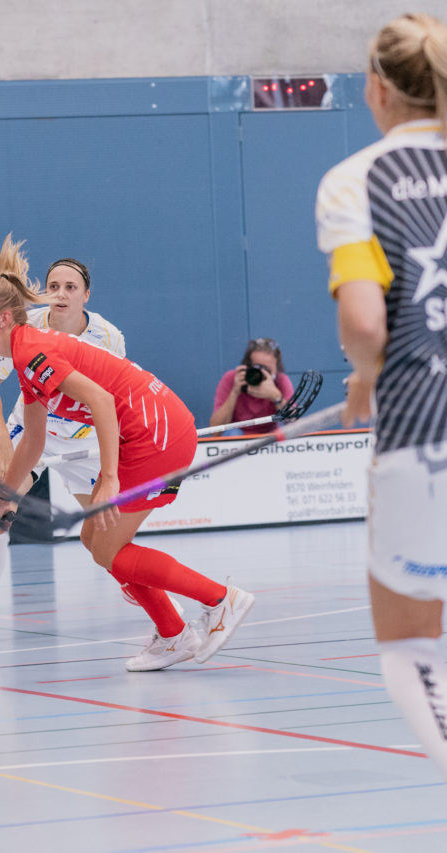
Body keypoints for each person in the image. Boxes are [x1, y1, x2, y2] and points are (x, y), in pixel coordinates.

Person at [0, 244, 254, 671]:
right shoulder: (26, 354)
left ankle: (221, 599)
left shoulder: (33, 351)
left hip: (156, 436)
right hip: (151, 431)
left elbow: (101, 400)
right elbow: (34, 441)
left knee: (109, 550)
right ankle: (173, 635)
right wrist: (4, 498)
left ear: (3, 319)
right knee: (95, 541)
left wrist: (109, 476)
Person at [315, 12, 447, 780]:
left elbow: (365, 325)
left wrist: (367, 372)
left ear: (376, 88)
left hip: (423, 436)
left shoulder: (356, 180)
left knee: (412, 646)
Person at [0, 241, 126, 645]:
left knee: (107, 532)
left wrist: (112, 465)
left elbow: (114, 397)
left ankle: (135, 584)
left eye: (70, 287)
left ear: (86, 295)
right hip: (33, 428)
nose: (61, 294)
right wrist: (1, 440)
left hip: (84, 436)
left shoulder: (108, 336)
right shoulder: (25, 327)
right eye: (54, 286)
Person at [209, 338, 294, 435]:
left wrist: (276, 397)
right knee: (232, 433)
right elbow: (215, 431)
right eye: (257, 368)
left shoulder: (281, 380)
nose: (262, 373)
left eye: (267, 370)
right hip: (239, 436)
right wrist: (235, 392)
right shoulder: (232, 379)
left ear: (276, 369)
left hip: (270, 435)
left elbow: (294, 422)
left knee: (285, 431)